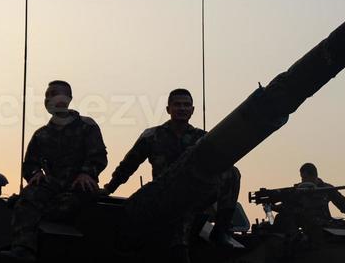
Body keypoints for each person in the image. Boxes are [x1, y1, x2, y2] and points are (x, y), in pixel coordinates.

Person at [103, 88, 242, 244]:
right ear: (168, 109)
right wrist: (109, 189)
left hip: (194, 195)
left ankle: (221, 230)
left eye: (186, 105)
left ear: (192, 110)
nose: (182, 108)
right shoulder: (152, 136)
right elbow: (129, 164)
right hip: (163, 196)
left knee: (231, 172)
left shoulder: (202, 139)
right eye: (177, 105)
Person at [0, 80, 108, 263]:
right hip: (52, 184)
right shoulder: (42, 134)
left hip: (79, 186)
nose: (51, 98)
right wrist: (35, 173)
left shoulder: (86, 126)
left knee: (65, 207)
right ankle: (24, 250)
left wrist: (86, 173)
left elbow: (98, 156)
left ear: (69, 99)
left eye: (56, 94)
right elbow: (30, 164)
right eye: (48, 95)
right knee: (29, 197)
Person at [289, 162, 345, 230]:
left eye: (304, 177)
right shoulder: (298, 190)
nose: (302, 180)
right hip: (305, 223)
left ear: (313, 176)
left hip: (324, 223)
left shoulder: (326, 188)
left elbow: (340, 200)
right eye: (302, 178)